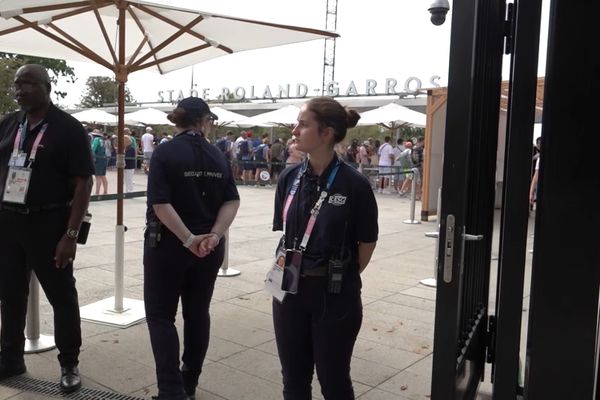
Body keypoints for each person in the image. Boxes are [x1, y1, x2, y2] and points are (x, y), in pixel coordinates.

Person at [271, 96, 378, 399]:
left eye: (303, 125)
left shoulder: (354, 184)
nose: (294, 130)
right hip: (289, 291)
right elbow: (287, 230)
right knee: (293, 379)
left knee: (333, 381)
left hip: (334, 297)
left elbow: (367, 243)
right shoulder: (290, 177)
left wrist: (337, 274)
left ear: (326, 133)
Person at [0, 64, 94, 392]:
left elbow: (83, 184)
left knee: (62, 296)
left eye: (27, 83)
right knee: (10, 294)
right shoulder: (10, 124)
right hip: (9, 222)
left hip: (49, 223)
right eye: (16, 84)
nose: (19, 90)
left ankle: (69, 363)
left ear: (45, 86)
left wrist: (70, 235)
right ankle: (10, 357)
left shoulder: (68, 128)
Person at [144, 97, 240, 400]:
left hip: (169, 245)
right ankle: (190, 382)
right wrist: (212, 235)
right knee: (198, 313)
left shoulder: (165, 152)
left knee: (161, 316)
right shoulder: (218, 155)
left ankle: (171, 391)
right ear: (204, 121)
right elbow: (232, 200)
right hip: (209, 249)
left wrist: (188, 239)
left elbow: (160, 204)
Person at [90, 129, 108, 195]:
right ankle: (105, 191)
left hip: (98, 159)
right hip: (104, 158)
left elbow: (92, 149)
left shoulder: (96, 140)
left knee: (98, 176)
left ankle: (97, 192)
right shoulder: (103, 140)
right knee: (103, 176)